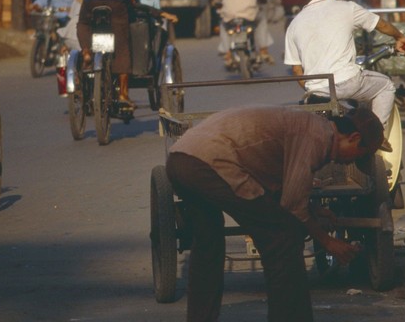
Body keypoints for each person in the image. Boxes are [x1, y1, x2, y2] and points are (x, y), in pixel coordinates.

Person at [165, 105, 389, 322]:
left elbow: (281, 190)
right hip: (209, 161)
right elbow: (292, 206)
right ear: (354, 138)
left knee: (208, 242)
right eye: (360, 155)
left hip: (181, 159)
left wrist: (313, 210)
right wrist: (328, 241)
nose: (353, 161)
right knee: (283, 237)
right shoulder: (317, 136)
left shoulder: (311, 127)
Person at [285, 0, 405, 126]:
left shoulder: (294, 24)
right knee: (386, 86)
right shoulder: (347, 8)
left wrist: (314, 88)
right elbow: (381, 25)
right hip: (347, 82)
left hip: (316, 91)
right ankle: (377, 134)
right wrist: (400, 36)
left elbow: (297, 71)